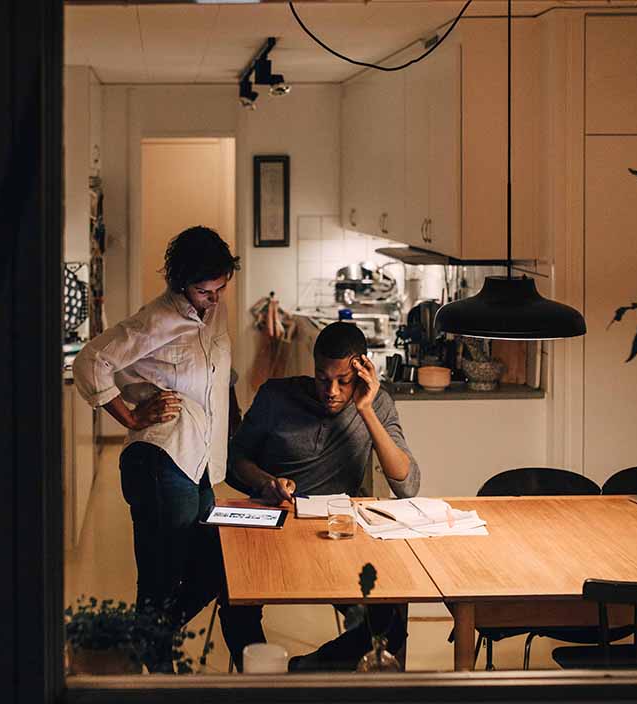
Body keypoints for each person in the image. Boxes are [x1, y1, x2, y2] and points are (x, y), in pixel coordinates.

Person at [72, 225, 239, 670]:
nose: (215, 299)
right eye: (205, 291)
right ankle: (157, 673)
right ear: (181, 283)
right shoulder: (158, 318)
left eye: (221, 288)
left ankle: (143, 641)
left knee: (212, 565)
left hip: (198, 463)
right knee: (161, 578)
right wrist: (130, 415)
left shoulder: (211, 314)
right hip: (161, 459)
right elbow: (92, 360)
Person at [220, 321, 422, 671]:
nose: (330, 390)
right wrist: (267, 482)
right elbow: (235, 460)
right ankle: (261, 682)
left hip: (337, 534)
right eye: (321, 378)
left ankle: (304, 670)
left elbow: (407, 485)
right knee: (234, 599)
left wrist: (366, 410)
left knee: (389, 619)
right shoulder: (275, 396)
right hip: (273, 526)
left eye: (343, 381)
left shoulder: (378, 404)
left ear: (362, 371)